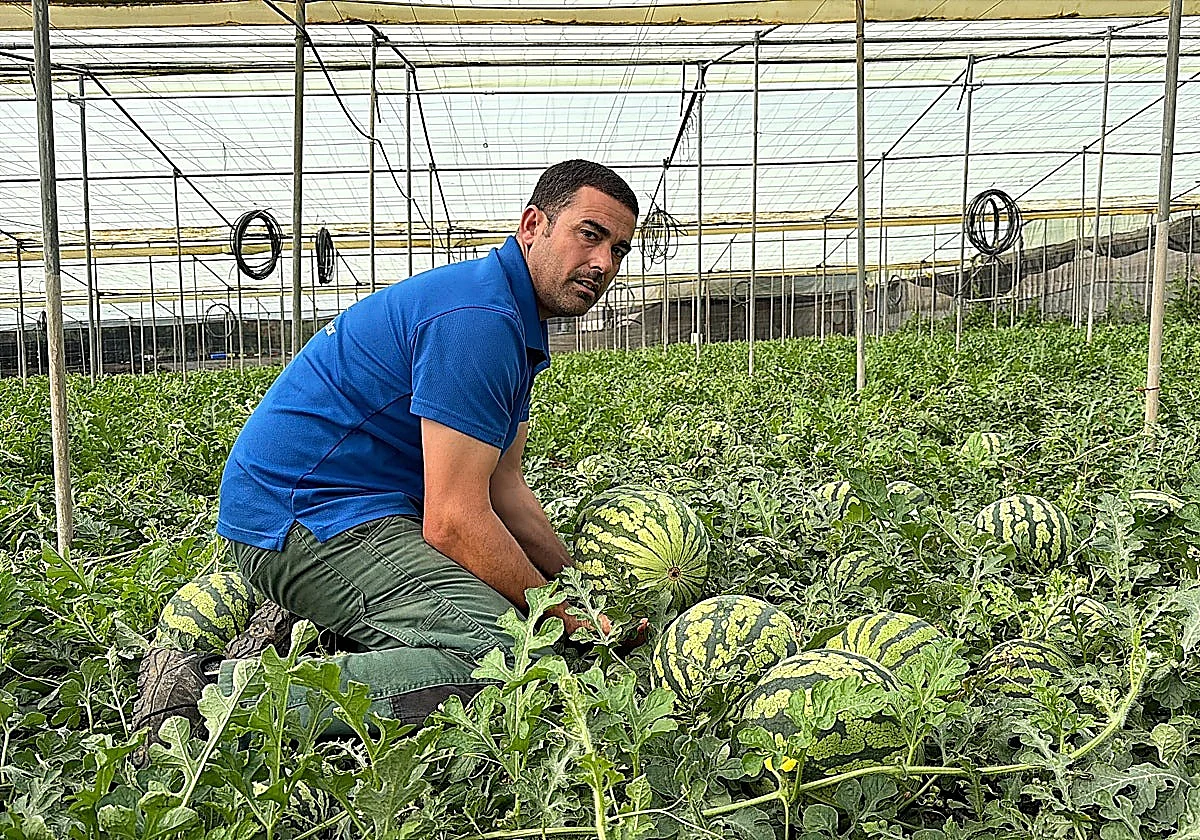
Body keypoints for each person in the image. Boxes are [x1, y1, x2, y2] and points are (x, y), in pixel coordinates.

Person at [132, 159, 640, 741]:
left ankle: (327, 632)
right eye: (589, 235)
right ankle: (219, 700)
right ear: (533, 227)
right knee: (506, 658)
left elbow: (504, 487)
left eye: (619, 250)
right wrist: (557, 619)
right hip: (304, 518)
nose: (603, 263)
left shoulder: (506, 314)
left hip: (353, 508)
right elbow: (453, 521)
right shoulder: (479, 320)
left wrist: (578, 593)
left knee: (517, 623)